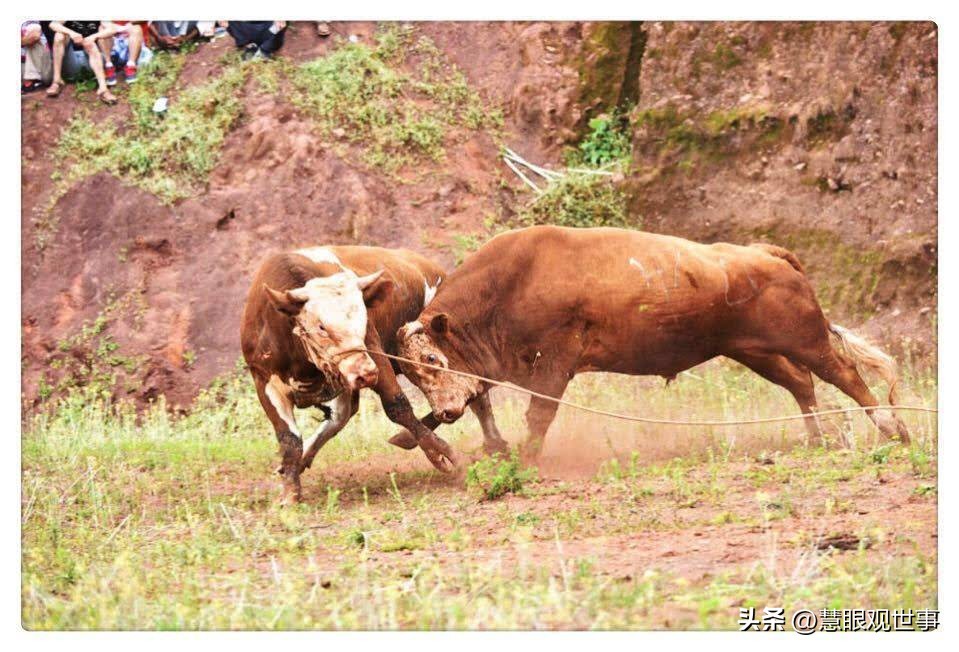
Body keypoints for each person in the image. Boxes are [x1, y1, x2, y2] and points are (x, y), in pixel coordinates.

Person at [46, 21, 117, 104]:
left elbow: (112, 29)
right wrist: (71, 33)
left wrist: (94, 36)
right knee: (59, 35)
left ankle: (103, 89)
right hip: (71, 60)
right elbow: (53, 24)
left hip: (93, 61)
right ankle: (57, 81)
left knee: (91, 43)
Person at [21, 21, 52, 94]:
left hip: (40, 62)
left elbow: (34, 37)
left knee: (33, 41)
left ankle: (30, 79)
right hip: (22, 62)